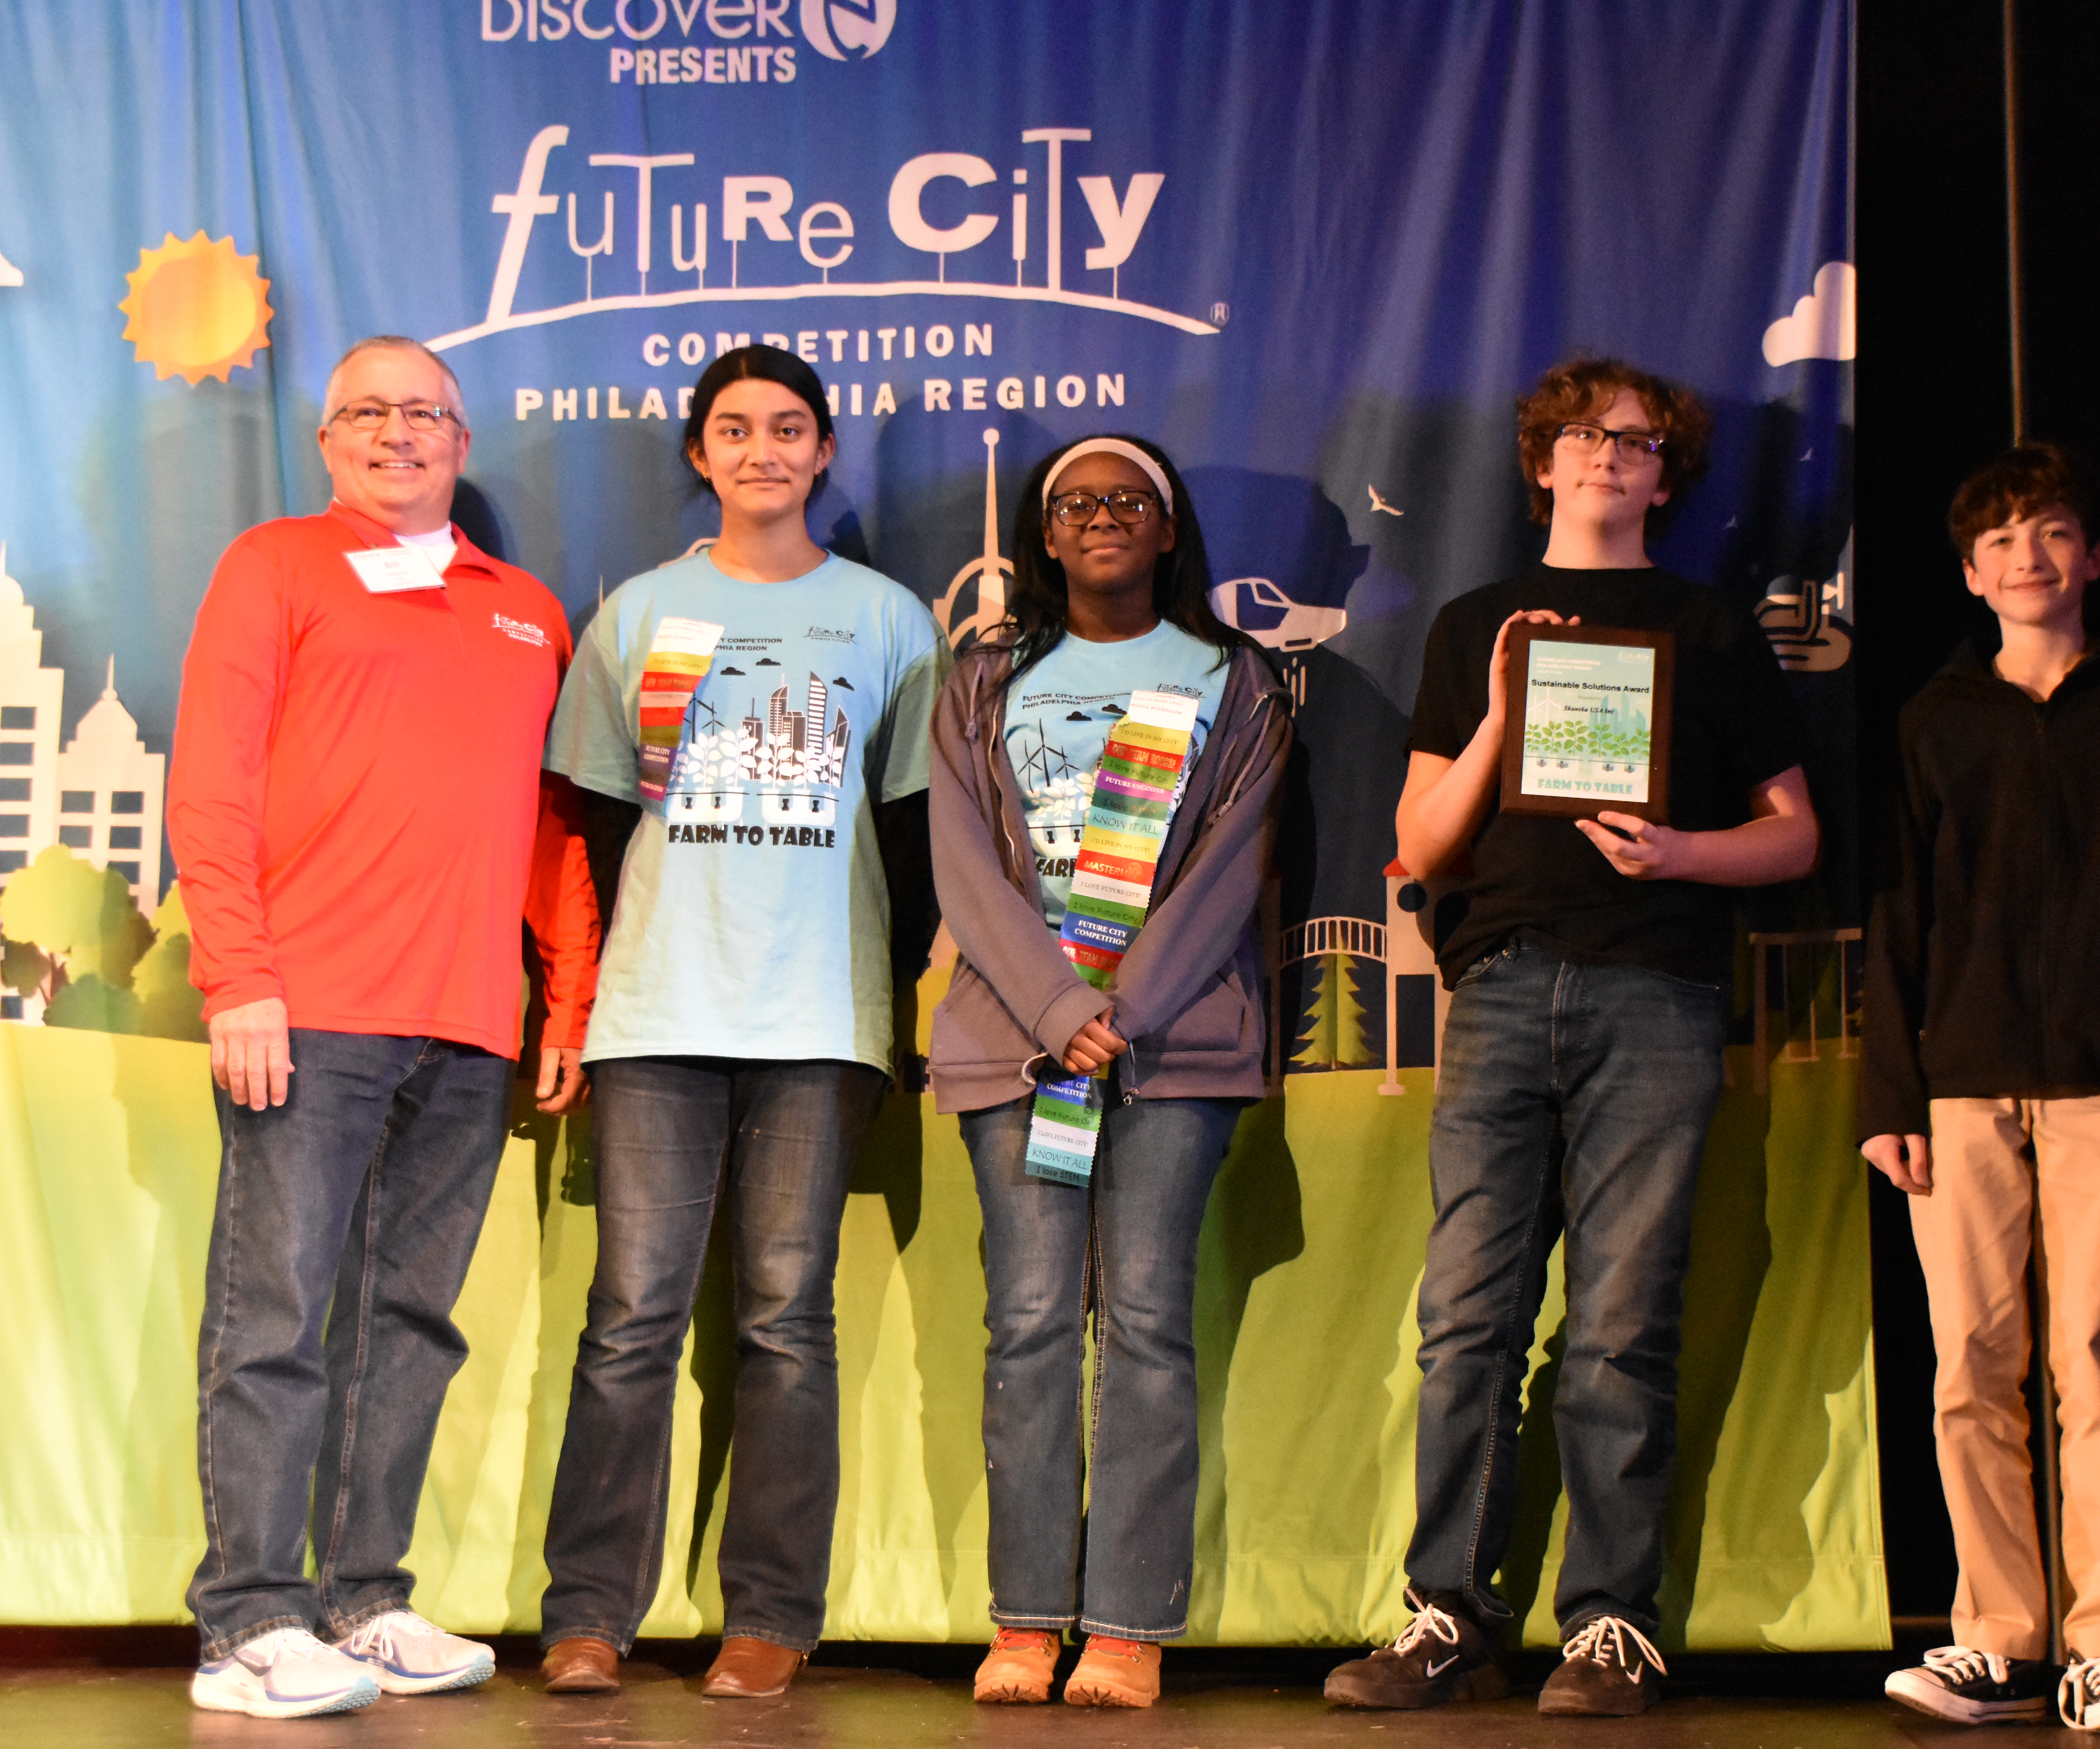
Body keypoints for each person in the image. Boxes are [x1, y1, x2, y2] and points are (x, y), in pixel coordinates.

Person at [1325, 358, 1817, 1718]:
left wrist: (1682, 853)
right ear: (1543, 463)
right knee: (1466, 1320)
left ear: (1667, 475)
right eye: (1585, 436)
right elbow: (1423, 842)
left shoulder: (1710, 629)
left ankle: (1609, 1624)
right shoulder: (1474, 623)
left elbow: (1795, 836)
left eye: (1638, 441)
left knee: (1619, 1325)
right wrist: (1502, 710)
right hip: (1498, 984)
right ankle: (1448, 1614)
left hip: (1656, 989)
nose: (1610, 454)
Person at [170, 336, 600, 1719]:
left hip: (470, 1022)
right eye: (367, 410)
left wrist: (567, 995)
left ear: (462, 443)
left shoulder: (527, 611)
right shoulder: (275, 567)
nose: (396, 431)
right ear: (328, 440)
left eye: (424, 412)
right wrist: (239, 976)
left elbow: (553, 827)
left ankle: (363, 1600)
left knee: (407, 1323)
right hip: (306, 1010)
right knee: (278, 1317)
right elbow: (213, 781)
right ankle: (247, 1623)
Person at [531, 346, 943, 1700]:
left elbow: (914, 836)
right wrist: (597, 983)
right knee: (630, 1319)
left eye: (787, 428)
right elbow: (594, 821)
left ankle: (772, 1612)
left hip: (819, 1020)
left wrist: (880, 991)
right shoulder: (641, 612)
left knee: (784, 1322)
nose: (762, 450)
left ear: (823, 451)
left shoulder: (889, 622)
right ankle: (589, 1614)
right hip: (657, 1013)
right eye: (734, 429)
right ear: (700, 455)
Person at [1861, 444, 2100, 1736]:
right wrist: (1890, 1098)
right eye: (2003, 540)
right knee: (1969, 1364)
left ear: (2094, 557)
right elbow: (1898, 915)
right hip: (1959, 1088)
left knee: (2097, 1359)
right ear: (1972, 575)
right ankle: (1999, 1641)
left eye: (2053, 531)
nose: (2030, 556)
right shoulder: (1934, 719)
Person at [929, 434, 1289, 1710]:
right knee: (1029, 1323)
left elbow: (1234, 866)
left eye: (1130, 499)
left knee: (1145, 1324)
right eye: (1076, 502)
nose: (1102, 517)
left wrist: (1118, 1012)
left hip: (1170, 1049)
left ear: (1170, 527)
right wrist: (1056, 1006)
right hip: (1019, 1046)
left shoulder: (1233, 679)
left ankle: (1129, 1627)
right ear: (1045, 532)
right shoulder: (984, 679)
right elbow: (963, 858)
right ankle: (1027, 1621)